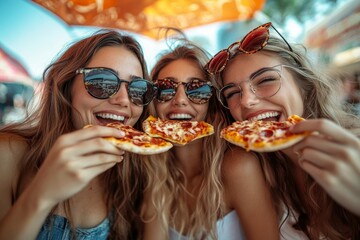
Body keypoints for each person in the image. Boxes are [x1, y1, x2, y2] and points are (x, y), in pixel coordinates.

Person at [207, 22, 360, 239]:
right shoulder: (254, 173)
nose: (247, 101)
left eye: (266, 80)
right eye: (232, 93)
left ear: (304, 85)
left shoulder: (354, 148)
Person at [0, 29, 157, 239]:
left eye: (137, 88)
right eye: (102, 82)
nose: (123, 100)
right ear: (67, 86)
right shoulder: (8, 152)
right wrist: (41, 195)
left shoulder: (134, 173)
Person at [141, 34, 279, 239]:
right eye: (165, 89)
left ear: (212, 102)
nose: (180, 100)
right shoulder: (156, 175)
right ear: (153, 100)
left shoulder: (238, 166)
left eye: (197, 90)